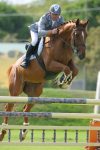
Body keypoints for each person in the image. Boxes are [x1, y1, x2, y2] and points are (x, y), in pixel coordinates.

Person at [20, 4, 65, 69]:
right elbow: (40, 32)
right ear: (50, 13)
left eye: (57, 14)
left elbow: (63, 28)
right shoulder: (44, 18)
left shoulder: (61, 19)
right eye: (54, 14)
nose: (56, 16)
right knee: (34, 41)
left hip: (47, 33)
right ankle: (26, 60)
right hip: (36, 31)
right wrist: (51, 32)